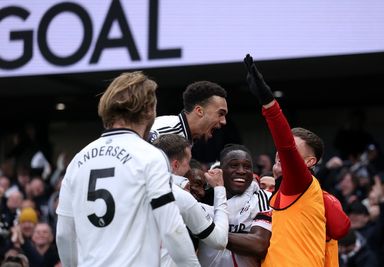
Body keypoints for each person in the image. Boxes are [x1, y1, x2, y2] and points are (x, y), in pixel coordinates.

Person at [55, 71, 200, 266]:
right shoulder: (150, 156)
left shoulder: (77, 161)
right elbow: (171, 228)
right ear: (149, 109)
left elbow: (64, 235)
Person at [244, 54, 342, 266]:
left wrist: (267, 101)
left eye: (291, 151)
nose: (280, 153)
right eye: (278, 150)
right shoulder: (283, 192)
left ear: (309, 162)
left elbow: (286, 145)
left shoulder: (302, 185)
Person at [152, 133, 229, 266]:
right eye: (188, 162)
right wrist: (219, 188)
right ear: (175, 165)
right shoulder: (180, 196)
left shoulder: (130, 187)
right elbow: (219, 240)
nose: (189, 168)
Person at [197, 144, 272, 267]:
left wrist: (208, 231)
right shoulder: (204, 195)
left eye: (247, 167)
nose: (241, 171)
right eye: (234, 165)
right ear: (220, 170)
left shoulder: (262, 198)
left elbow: (259, 245)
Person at [148, 80, 228, 144]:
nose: (224, 121)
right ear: (200, 111)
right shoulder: (160, 133)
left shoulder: (187, 137)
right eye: (220, 113)